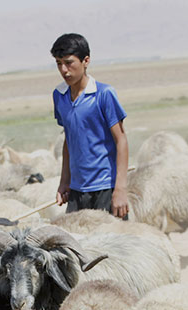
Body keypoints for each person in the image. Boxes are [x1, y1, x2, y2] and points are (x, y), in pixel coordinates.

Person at [51, 33, 129, 218]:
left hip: (106, 188)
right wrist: (64, 182)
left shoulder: (104, 94)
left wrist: (120, 189)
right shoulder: (59, 95)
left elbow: (121, 140)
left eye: (69, 62)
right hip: (77, 191)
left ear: (86, 60)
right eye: (58, 63)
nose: (64, 70)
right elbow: (69, 140)